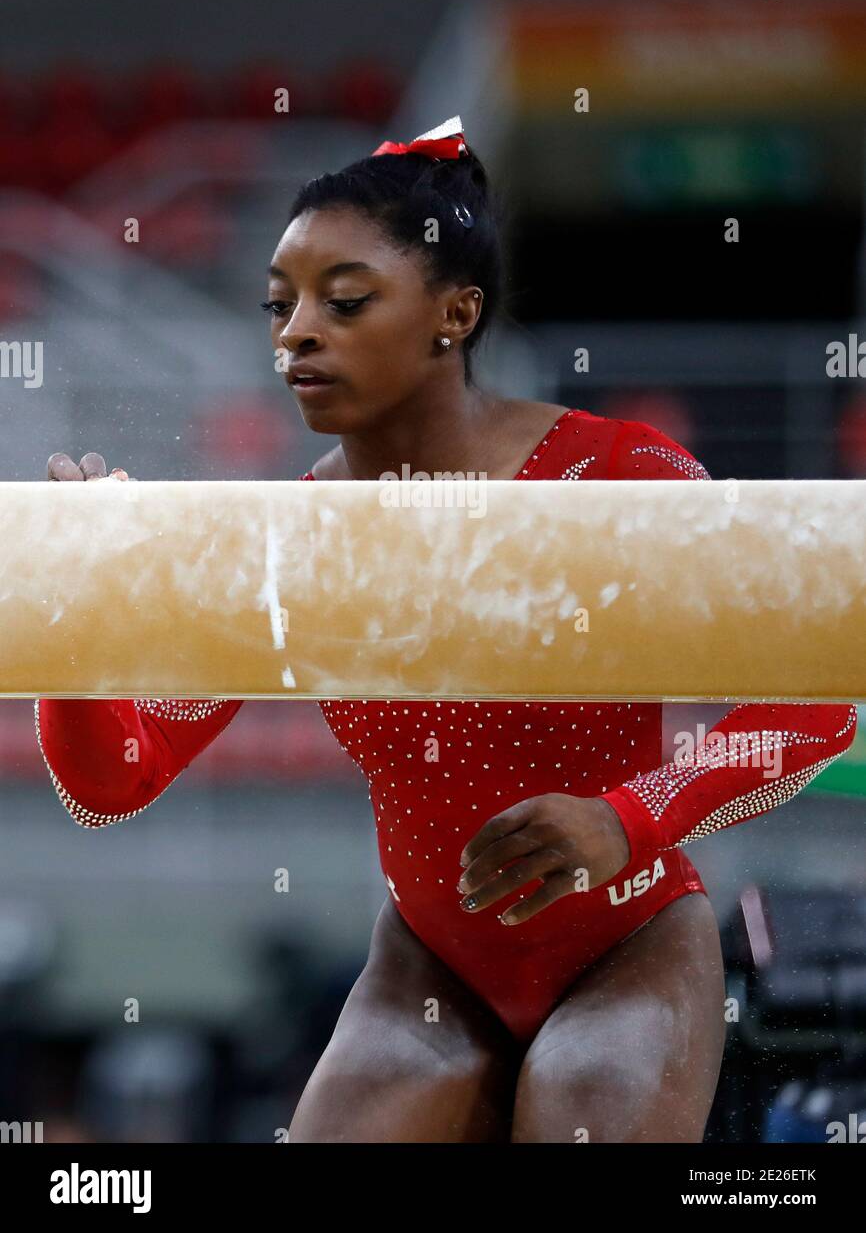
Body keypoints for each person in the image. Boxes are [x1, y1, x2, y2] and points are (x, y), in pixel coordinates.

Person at [37, 117, 857, 1143]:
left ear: (452, 316)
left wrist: (626, 818)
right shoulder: (290, 541)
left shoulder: (612, 479)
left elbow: (819, 708)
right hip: (426, 965)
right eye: (279, 305)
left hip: (625, 943)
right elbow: (115, 784)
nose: (295, 333)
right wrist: (68, 625)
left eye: (342, 302)